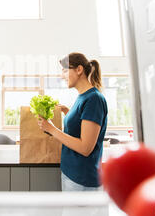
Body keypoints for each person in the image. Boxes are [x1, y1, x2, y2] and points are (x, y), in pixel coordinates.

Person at [37, 52, 108, 191]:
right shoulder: (83, 97)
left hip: (82, 179)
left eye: (64, 70)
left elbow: (85, 148)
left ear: (79, 69)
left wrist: (51, 129)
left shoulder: (93, 99)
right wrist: (67, 112)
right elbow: (81, 126)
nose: (61, 75)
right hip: (72, 173)